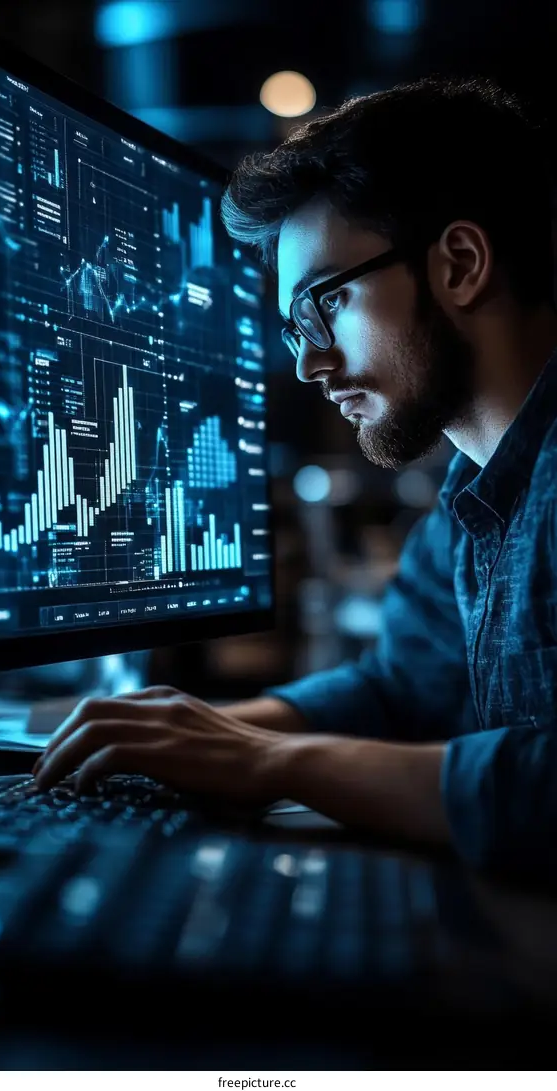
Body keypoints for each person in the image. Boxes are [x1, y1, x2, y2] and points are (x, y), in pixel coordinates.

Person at [34, 75, 557, 881]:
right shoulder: (475, 497)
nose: (311, 363)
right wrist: (197, 733)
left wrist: (276, 763)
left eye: (326, 303)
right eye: (292, 331)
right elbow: (399, 690)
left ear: (459, 263)